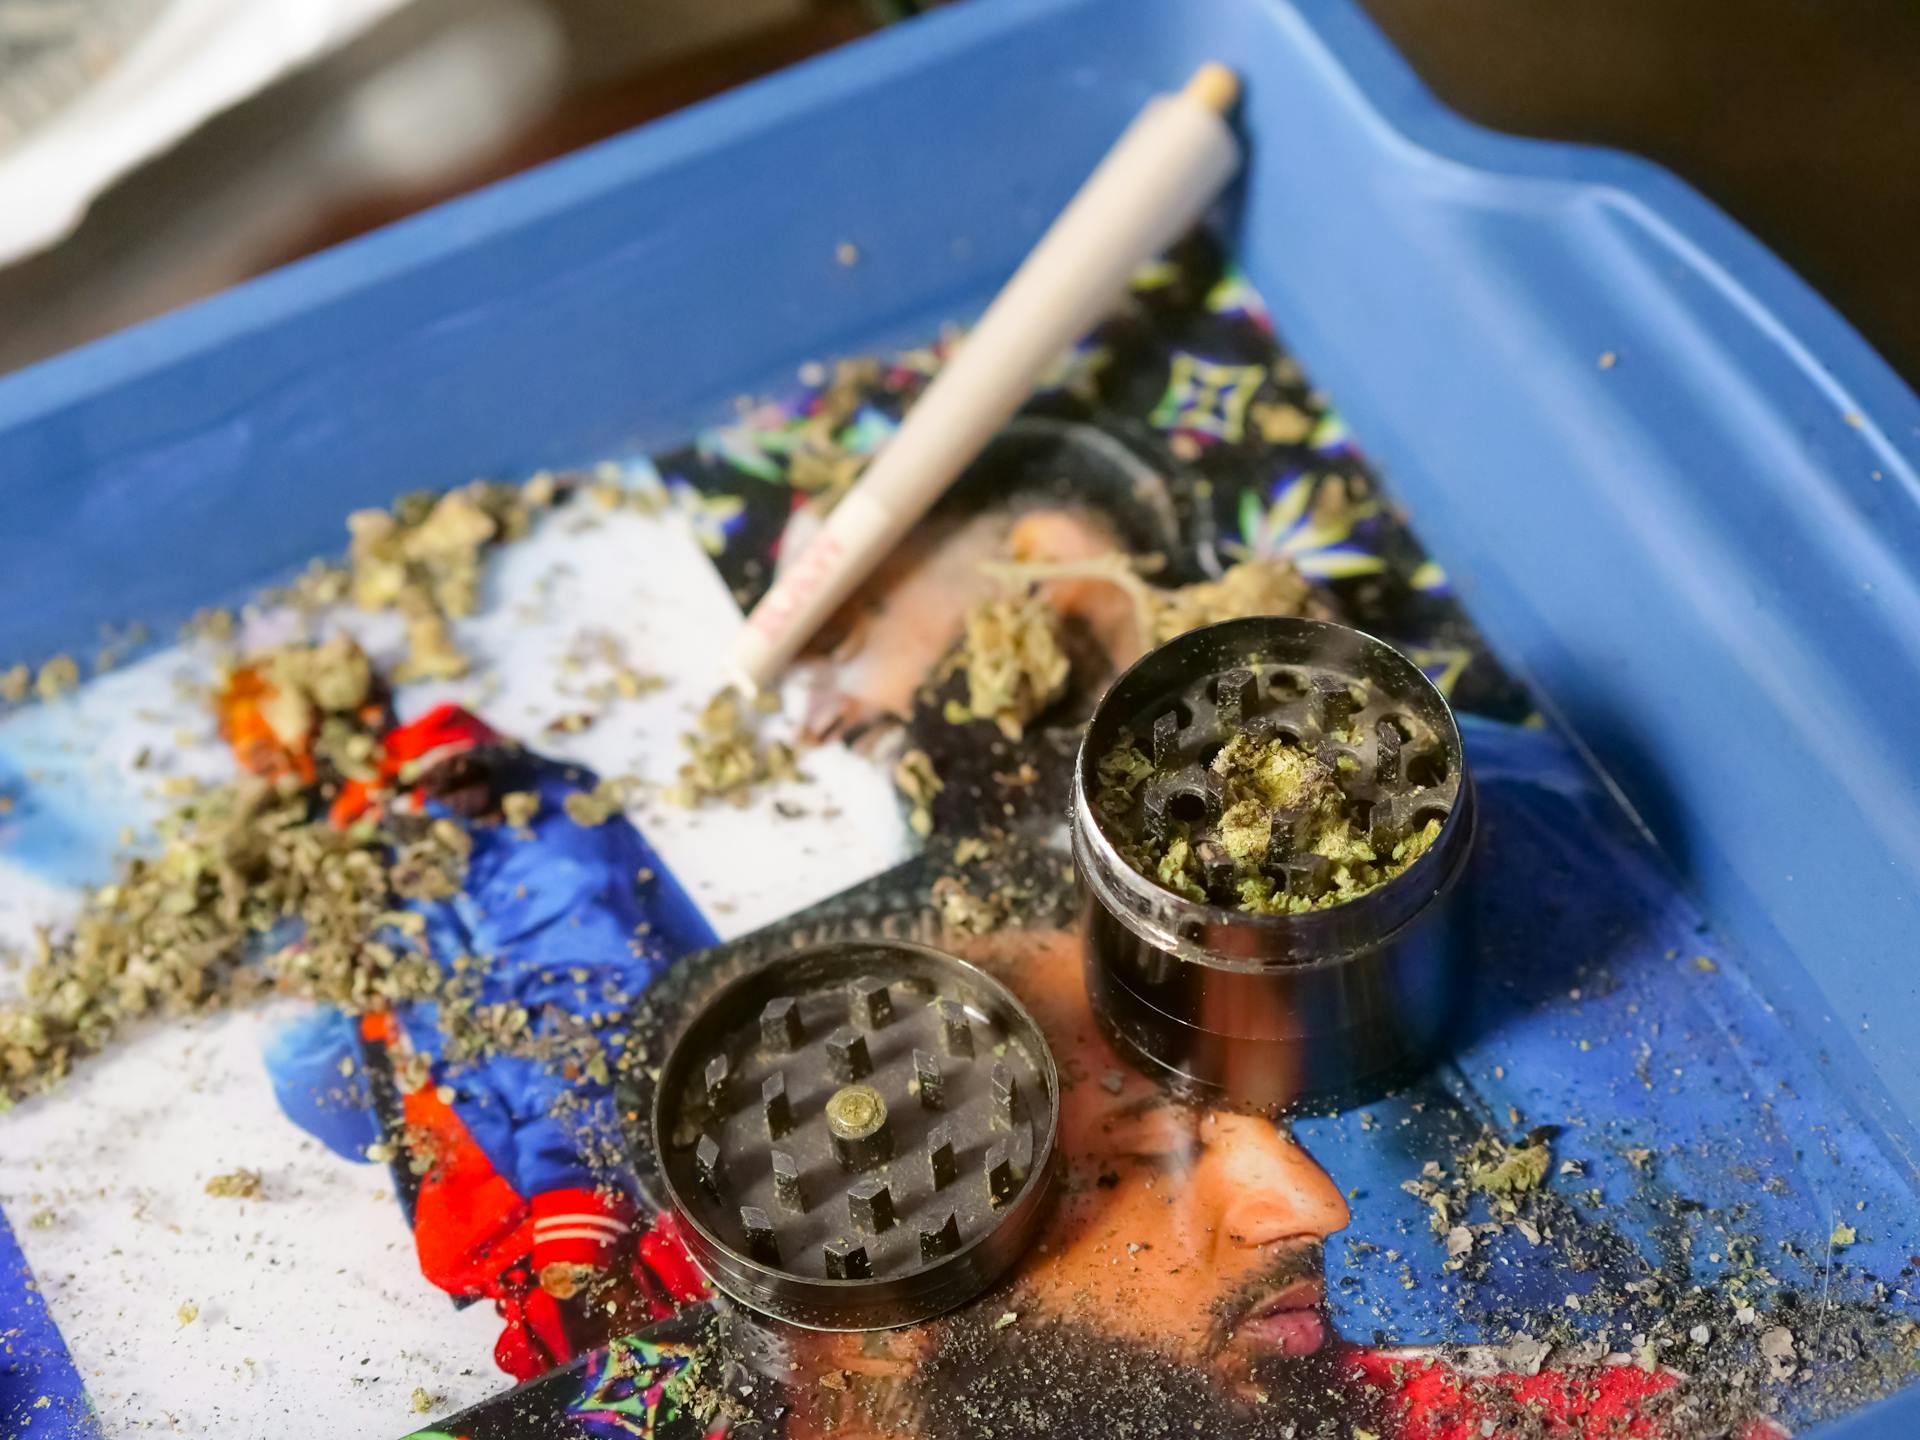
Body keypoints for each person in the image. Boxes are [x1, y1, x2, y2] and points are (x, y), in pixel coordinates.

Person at [220, 661, 714, 1380]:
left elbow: (587, 986)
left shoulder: (478, 793)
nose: (263, 785)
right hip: (527, 1237)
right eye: (249, 766)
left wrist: (573, 1189)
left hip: (619, 1208)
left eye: (270, 752)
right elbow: (354, 1110)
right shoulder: (357, 857)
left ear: (344, 719)